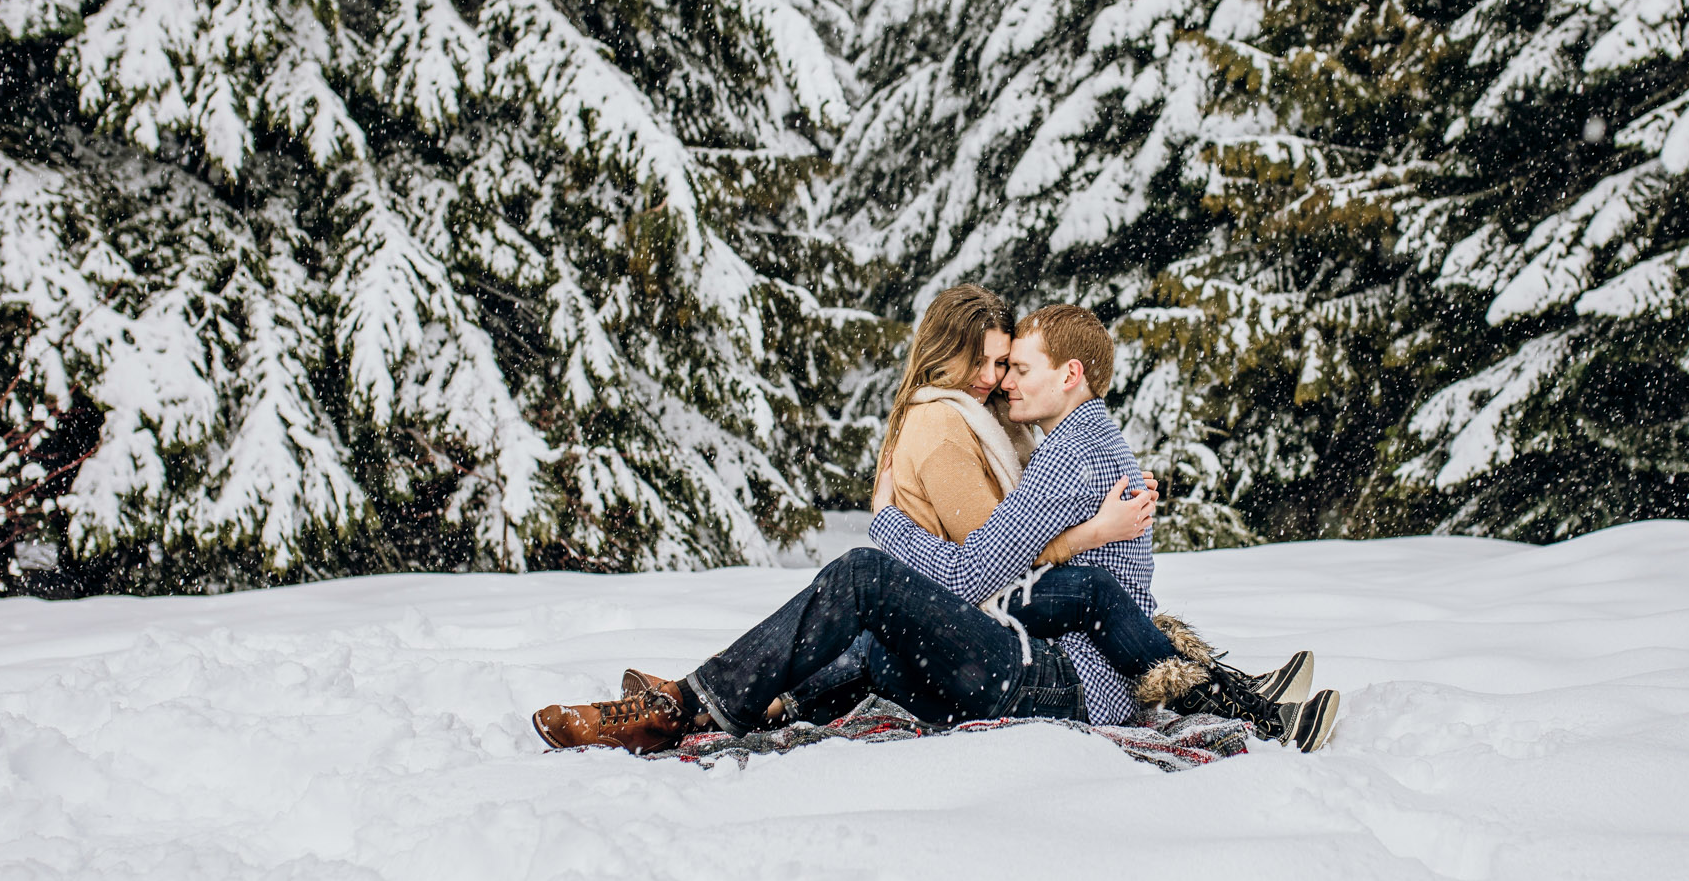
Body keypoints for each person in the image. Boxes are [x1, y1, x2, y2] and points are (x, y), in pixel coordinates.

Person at [532, 304, 1341, 753]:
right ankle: (719, 706)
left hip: (1057, 680)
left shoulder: (1073, 452)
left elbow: (968, 575)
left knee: (860, 576)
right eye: (1000, 365)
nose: (1005, 383)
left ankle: (684, 703)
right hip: (1065, 668)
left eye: (1019, 368)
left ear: (1072, 376)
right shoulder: (1092, 444)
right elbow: (1035, 573)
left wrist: (890, 525)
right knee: (877, 647)